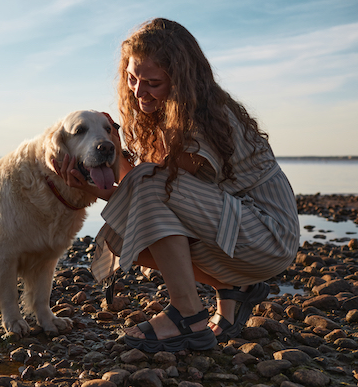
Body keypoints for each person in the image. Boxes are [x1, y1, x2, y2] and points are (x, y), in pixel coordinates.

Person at [53, 18, 299, 352]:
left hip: (268, 234)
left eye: (152, 82)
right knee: (128, 233)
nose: (138, 91)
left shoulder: (202, 120)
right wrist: (114, 139)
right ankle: (231, 288)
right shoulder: (167, 114)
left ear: (181, 81)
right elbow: (145, 193)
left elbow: (152, 188)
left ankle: (188, 317)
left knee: (142, 201)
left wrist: (95, 189)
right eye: (131, 78)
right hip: (236, 225)